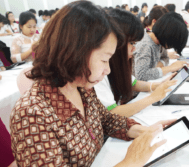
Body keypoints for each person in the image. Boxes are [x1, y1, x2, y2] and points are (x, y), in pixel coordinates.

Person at [10, 1, 175, 166]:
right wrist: (131, 162)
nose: (108, 70)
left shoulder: (82, 88)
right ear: (74, 53)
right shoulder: (32, 114)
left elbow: (107, 120)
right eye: (104, 60)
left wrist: (144, 131)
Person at [94, 9, 177, 117]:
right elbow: (112, 113)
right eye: (132, 43)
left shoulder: (117, 65)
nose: (135, 49)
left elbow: (133, 83)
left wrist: (158, 86)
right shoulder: (98, 73)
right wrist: (152, 98)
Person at [133, 12, 189, 81]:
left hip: (150, 83)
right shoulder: (145, 45)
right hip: (139, 89)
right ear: (168, 36)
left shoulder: (160, 41)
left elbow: (166, 58)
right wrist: (170, 68)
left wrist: (154, 69)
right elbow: (141, 75)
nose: (171, 47)